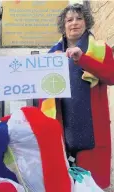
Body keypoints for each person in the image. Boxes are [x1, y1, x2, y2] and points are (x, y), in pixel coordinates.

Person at [39, 3, 114, 188]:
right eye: (69, 20)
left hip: (93, 133)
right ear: (63, 26)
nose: (74, 23)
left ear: (86, 22)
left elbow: (111, 76)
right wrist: (49, 63)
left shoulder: (101, 49)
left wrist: (83, 59)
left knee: (92, 186)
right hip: (62, 133)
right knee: (63, 185)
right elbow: (42, 94)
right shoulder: (51, 55)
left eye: (79, 18)